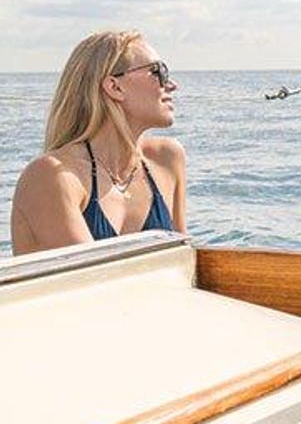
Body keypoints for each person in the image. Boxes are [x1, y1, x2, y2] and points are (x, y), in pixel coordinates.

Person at [10, 30, 186, 256]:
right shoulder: (53, 176)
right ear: (114, 87)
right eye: (157, 72)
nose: (171, 84)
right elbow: (95, 280)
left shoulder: (167, 159)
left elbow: (186, 266)